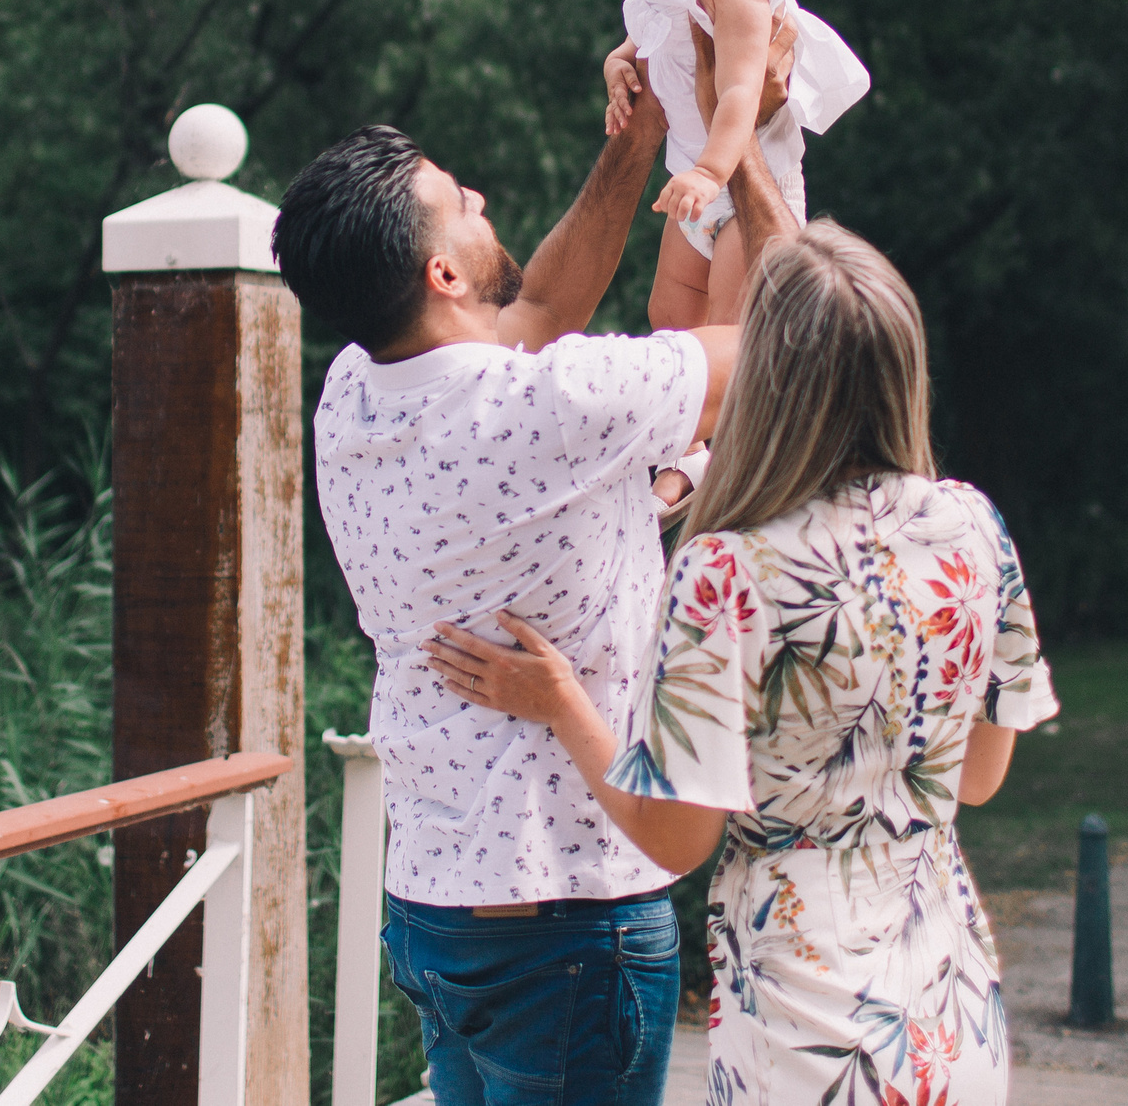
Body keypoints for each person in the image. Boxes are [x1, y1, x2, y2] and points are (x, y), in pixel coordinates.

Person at [270, 34, 801, 1106]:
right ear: (444, 271)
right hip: (567, 912)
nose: (475, 193)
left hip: (432, 904)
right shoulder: (555, 402)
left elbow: (536, 310)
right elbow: (800, 332)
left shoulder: (353, 395)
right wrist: (747, 143)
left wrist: (643, 134)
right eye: (454, 201)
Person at [424, 223, 1059, 1104]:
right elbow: (981, 774)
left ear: (762, 378)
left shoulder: (731, 569)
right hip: (950, 1002)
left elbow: (680, 838)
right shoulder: (970, 526)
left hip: (806, 1021)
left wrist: (563, 701)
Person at [600, 0, 869, 330]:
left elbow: (744, 90)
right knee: (670, 317)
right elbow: (642, 39)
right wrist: (617, 64)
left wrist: (709, 172)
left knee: (731, 327)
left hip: (742, 179)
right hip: (692, 181)